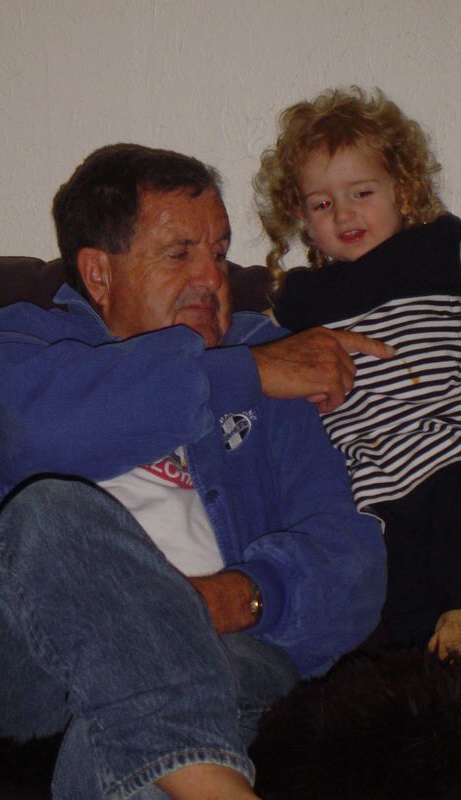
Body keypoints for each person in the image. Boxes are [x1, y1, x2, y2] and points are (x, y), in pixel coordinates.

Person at [0, 143, 390, 800]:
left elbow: (351, 559)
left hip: (225, 650)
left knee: (139, 720)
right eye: (180, 254)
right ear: (99, 274)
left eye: (220, 252)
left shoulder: (267, 355)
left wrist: (239, 596)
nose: (213, 277)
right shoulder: (17, 343)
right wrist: (245, 375)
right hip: (29, 656)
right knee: (48, 510)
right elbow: (29, 429)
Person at [254, 86, 461, 660]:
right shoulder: (301, 298)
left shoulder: (439, 248)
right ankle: (426, 662)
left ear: (404, 190)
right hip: (367, 477)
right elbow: (258, 355)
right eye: (321, 204)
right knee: (397, 592)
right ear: (301, 216)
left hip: (445, 441)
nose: (343, 214)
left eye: (361, 193)